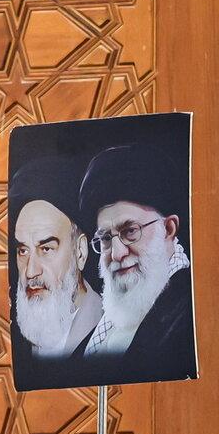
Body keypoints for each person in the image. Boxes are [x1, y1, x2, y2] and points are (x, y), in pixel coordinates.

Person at [76, 144, 197, 383]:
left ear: (169, 229)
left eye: (130, 231)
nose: (118, 253)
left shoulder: (189, 313)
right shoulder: (106, 324)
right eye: (107, 238)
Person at [9, 161, 102, 389]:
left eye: (46, 249)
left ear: (80, 252)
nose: (31, 271)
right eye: (23, 250)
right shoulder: (13, 339)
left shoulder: (109, 332)